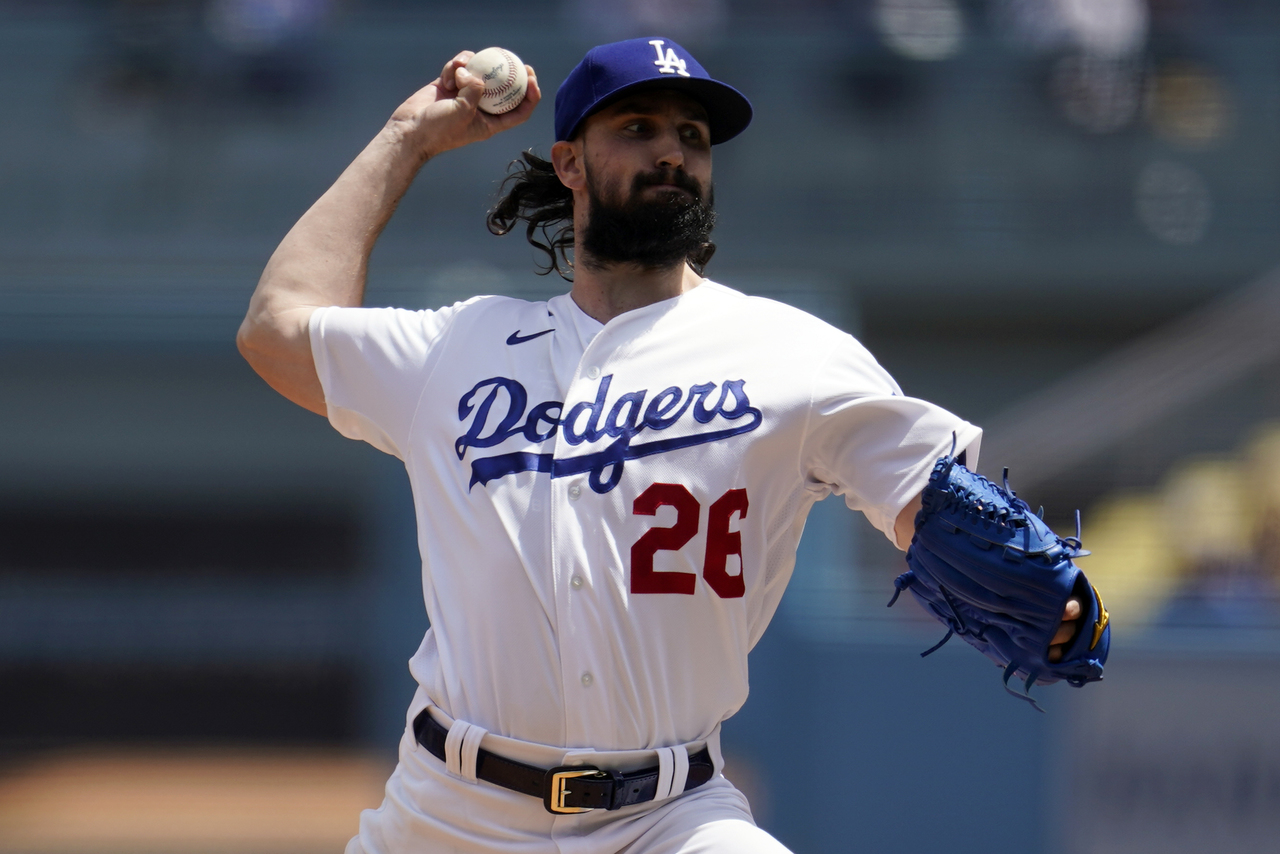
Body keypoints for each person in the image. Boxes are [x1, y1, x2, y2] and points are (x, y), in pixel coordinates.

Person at [237, 36, 1083, 854]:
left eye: (693, 136)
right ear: (569, 163)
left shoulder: (790, 353)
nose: (672, 152)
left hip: (669, 819)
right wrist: (407, 139)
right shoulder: (461, 347)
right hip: (451, 816)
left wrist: (1049, 588)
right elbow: (276, 328)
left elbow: (934, 504)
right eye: (637, 128)